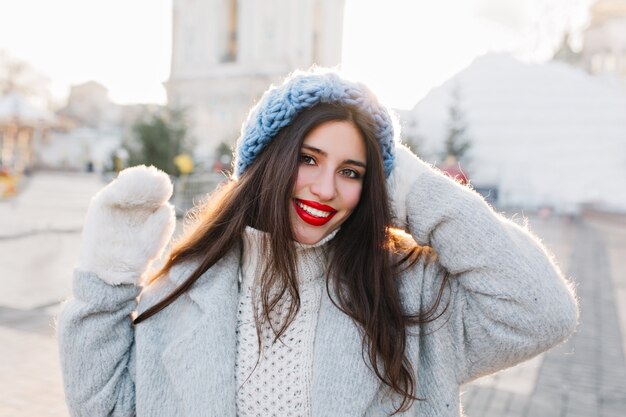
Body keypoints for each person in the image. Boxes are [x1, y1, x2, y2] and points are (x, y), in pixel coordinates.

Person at [58, 69, 578, 417]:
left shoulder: (407, 294)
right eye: (308, 159)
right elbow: (103, 408)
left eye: (351, 171)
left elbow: (542, 310)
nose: (325, 189)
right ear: (267, 162)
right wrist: (105, 282)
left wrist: (414, 185)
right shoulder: (183, 289)